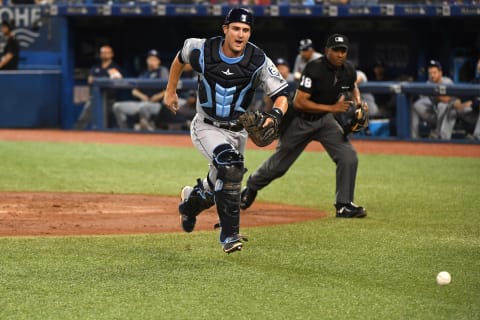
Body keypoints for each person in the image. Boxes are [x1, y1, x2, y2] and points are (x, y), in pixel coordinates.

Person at [163, 7, 289, 254]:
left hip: (238, 130)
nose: (241, 34)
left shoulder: (257, 59)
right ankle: (229, 235)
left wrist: (276, 114)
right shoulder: (202, 49)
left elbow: (282, 95)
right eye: (236, 29)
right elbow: (180, 58)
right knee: (230, 167)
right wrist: (170, 90)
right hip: (206, 126)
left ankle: (189, 204)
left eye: (246, 30)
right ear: (225, 29)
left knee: (218, 185)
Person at [241, 33, 368, 219]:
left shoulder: (347, 69)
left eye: (343, 51)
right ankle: (251, 186)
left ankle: (344, 205)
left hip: (325, 122)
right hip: (300, 120)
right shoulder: (314, 68)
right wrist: (332, 108)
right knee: (278, 166)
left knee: (348, 157)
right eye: (336, 50)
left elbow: (352, 86)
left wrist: (358, 102)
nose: (340, 54)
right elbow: (300, 102)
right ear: (327, 51)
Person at [112, 49, 169, 131]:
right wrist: (143, 96)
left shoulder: (162, 71)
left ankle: (150, 130)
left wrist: (157, 96)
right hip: (143, 102)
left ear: (158, 61)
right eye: (150, 59)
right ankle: (125, 130)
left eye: (154, 59)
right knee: (117, 106)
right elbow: (134, 91)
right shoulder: (144, 73)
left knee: (143, 107)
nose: (152, 61)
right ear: (147, 60)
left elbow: (168, 89)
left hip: (157, 104)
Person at [74, 45, 123, 130]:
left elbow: (118, 80)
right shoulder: (95, 67)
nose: (105, 55)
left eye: (107, 53)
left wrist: (98, 79)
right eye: (103, 53)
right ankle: (75, 135)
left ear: (112, 54)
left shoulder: (115, 67)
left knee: (108, 122)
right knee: (83, 117)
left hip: (110, 99)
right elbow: (90, 80)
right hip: (95, 98)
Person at [411, 60, 457, 139]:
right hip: (434, 114)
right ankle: (413, 137)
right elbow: (424, 101)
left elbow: (448, 100)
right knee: (415, 105)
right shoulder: (428, 83)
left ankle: (438, 134)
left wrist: (435, 95)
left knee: (442, 106)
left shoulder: (447, 82)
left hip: (448, 115)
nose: (432, 75)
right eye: (430, 73)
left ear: (440, 73)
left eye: (434, 73)